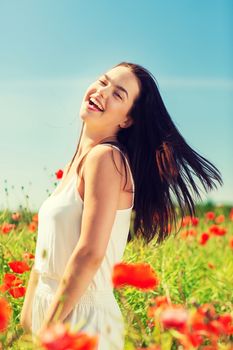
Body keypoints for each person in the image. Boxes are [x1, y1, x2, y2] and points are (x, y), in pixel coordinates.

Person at [20, 62, 223, 349]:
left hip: (80, 318)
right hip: (51, 308)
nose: (102, 92)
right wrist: (26, 323)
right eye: (103, 82)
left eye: (118, 94)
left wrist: (49, 332)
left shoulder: (106, 158)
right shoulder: (74, 165)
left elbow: (90, 253)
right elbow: (45, 256)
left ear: (127, 120)